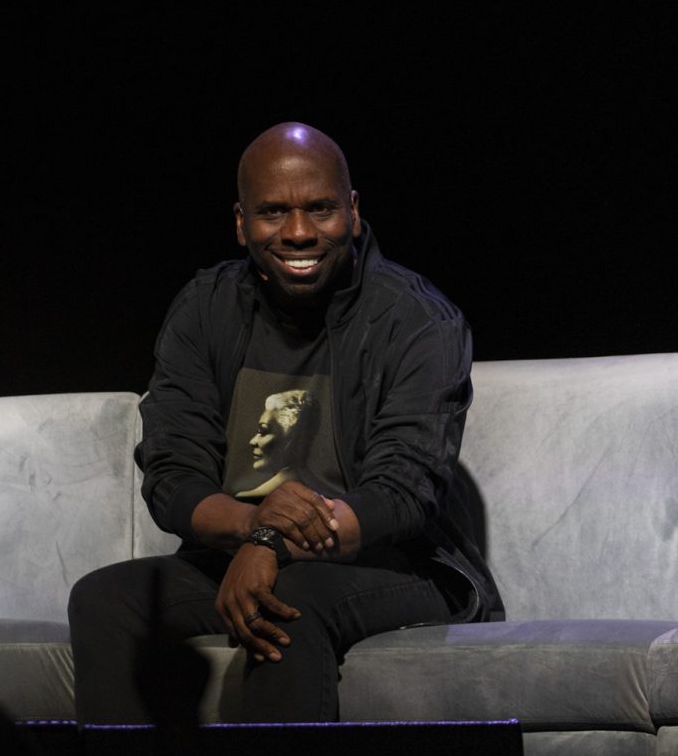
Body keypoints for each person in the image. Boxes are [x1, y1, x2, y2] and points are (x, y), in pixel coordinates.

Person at [68, 123, 503, 724]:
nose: (299, 232)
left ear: (351, 212)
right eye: (273, 212)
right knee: (107, 598)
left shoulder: (417, 320)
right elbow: (172, 474)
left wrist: (270, 545)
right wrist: (254, 530)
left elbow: (403, 494)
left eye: (319, 209)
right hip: (242, 549)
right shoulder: (205, 309)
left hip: (396, 564)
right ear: (242, 223)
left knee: (289, 598)